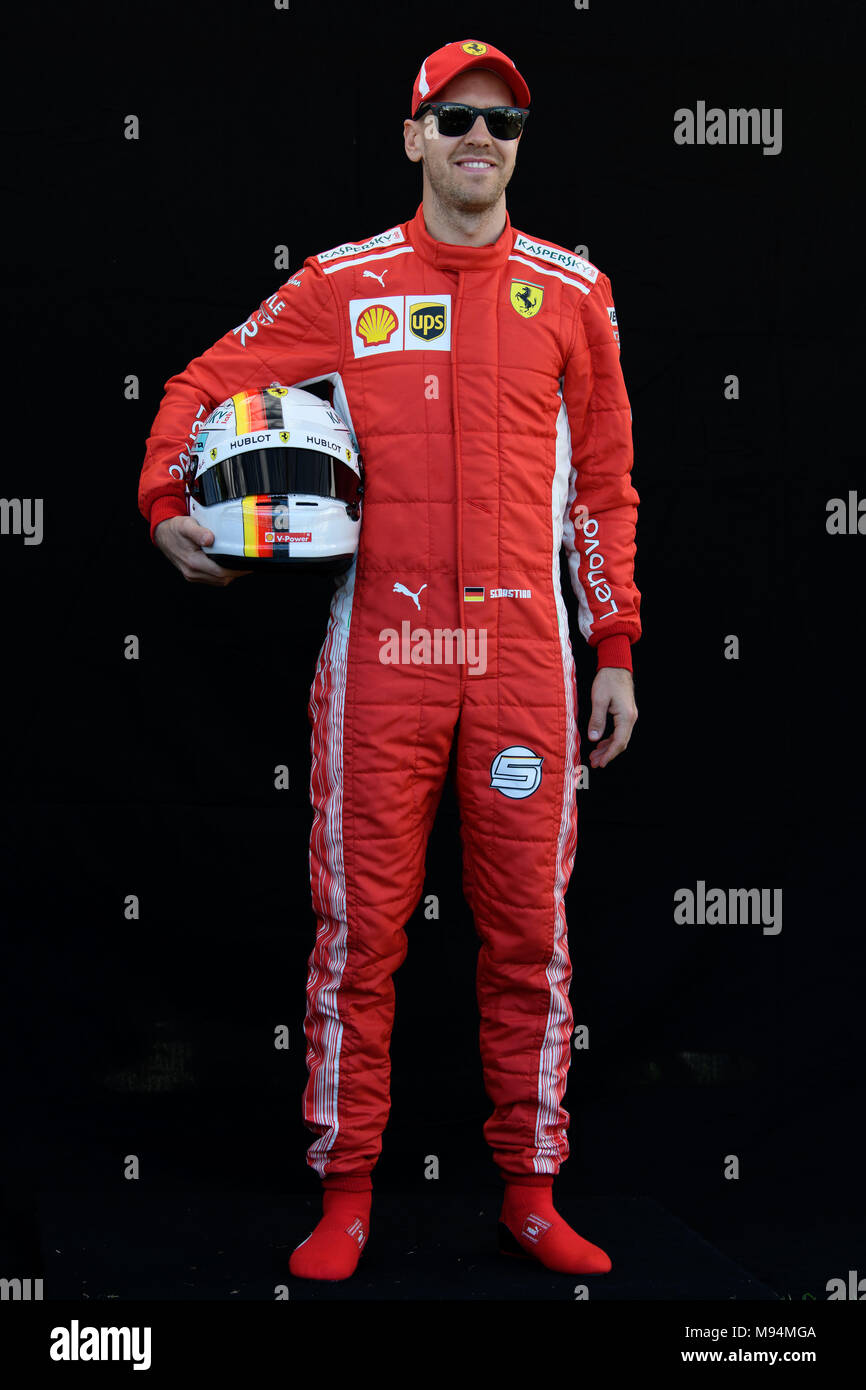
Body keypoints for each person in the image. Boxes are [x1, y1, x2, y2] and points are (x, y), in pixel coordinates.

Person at [138, 37, 640, 1283]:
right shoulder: (342, 283)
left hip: (524, 660)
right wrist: (166, 503)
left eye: (502, 121)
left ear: (518, 145)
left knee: (529, 936)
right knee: (358, 934)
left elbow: (605, 487)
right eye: (454, 117)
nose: (478, 138)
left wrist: (614, 642)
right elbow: (201, 386)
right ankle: (346, 1190)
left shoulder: (572, 290)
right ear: (413, 136)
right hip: (384, 656)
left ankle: (529, 1191)